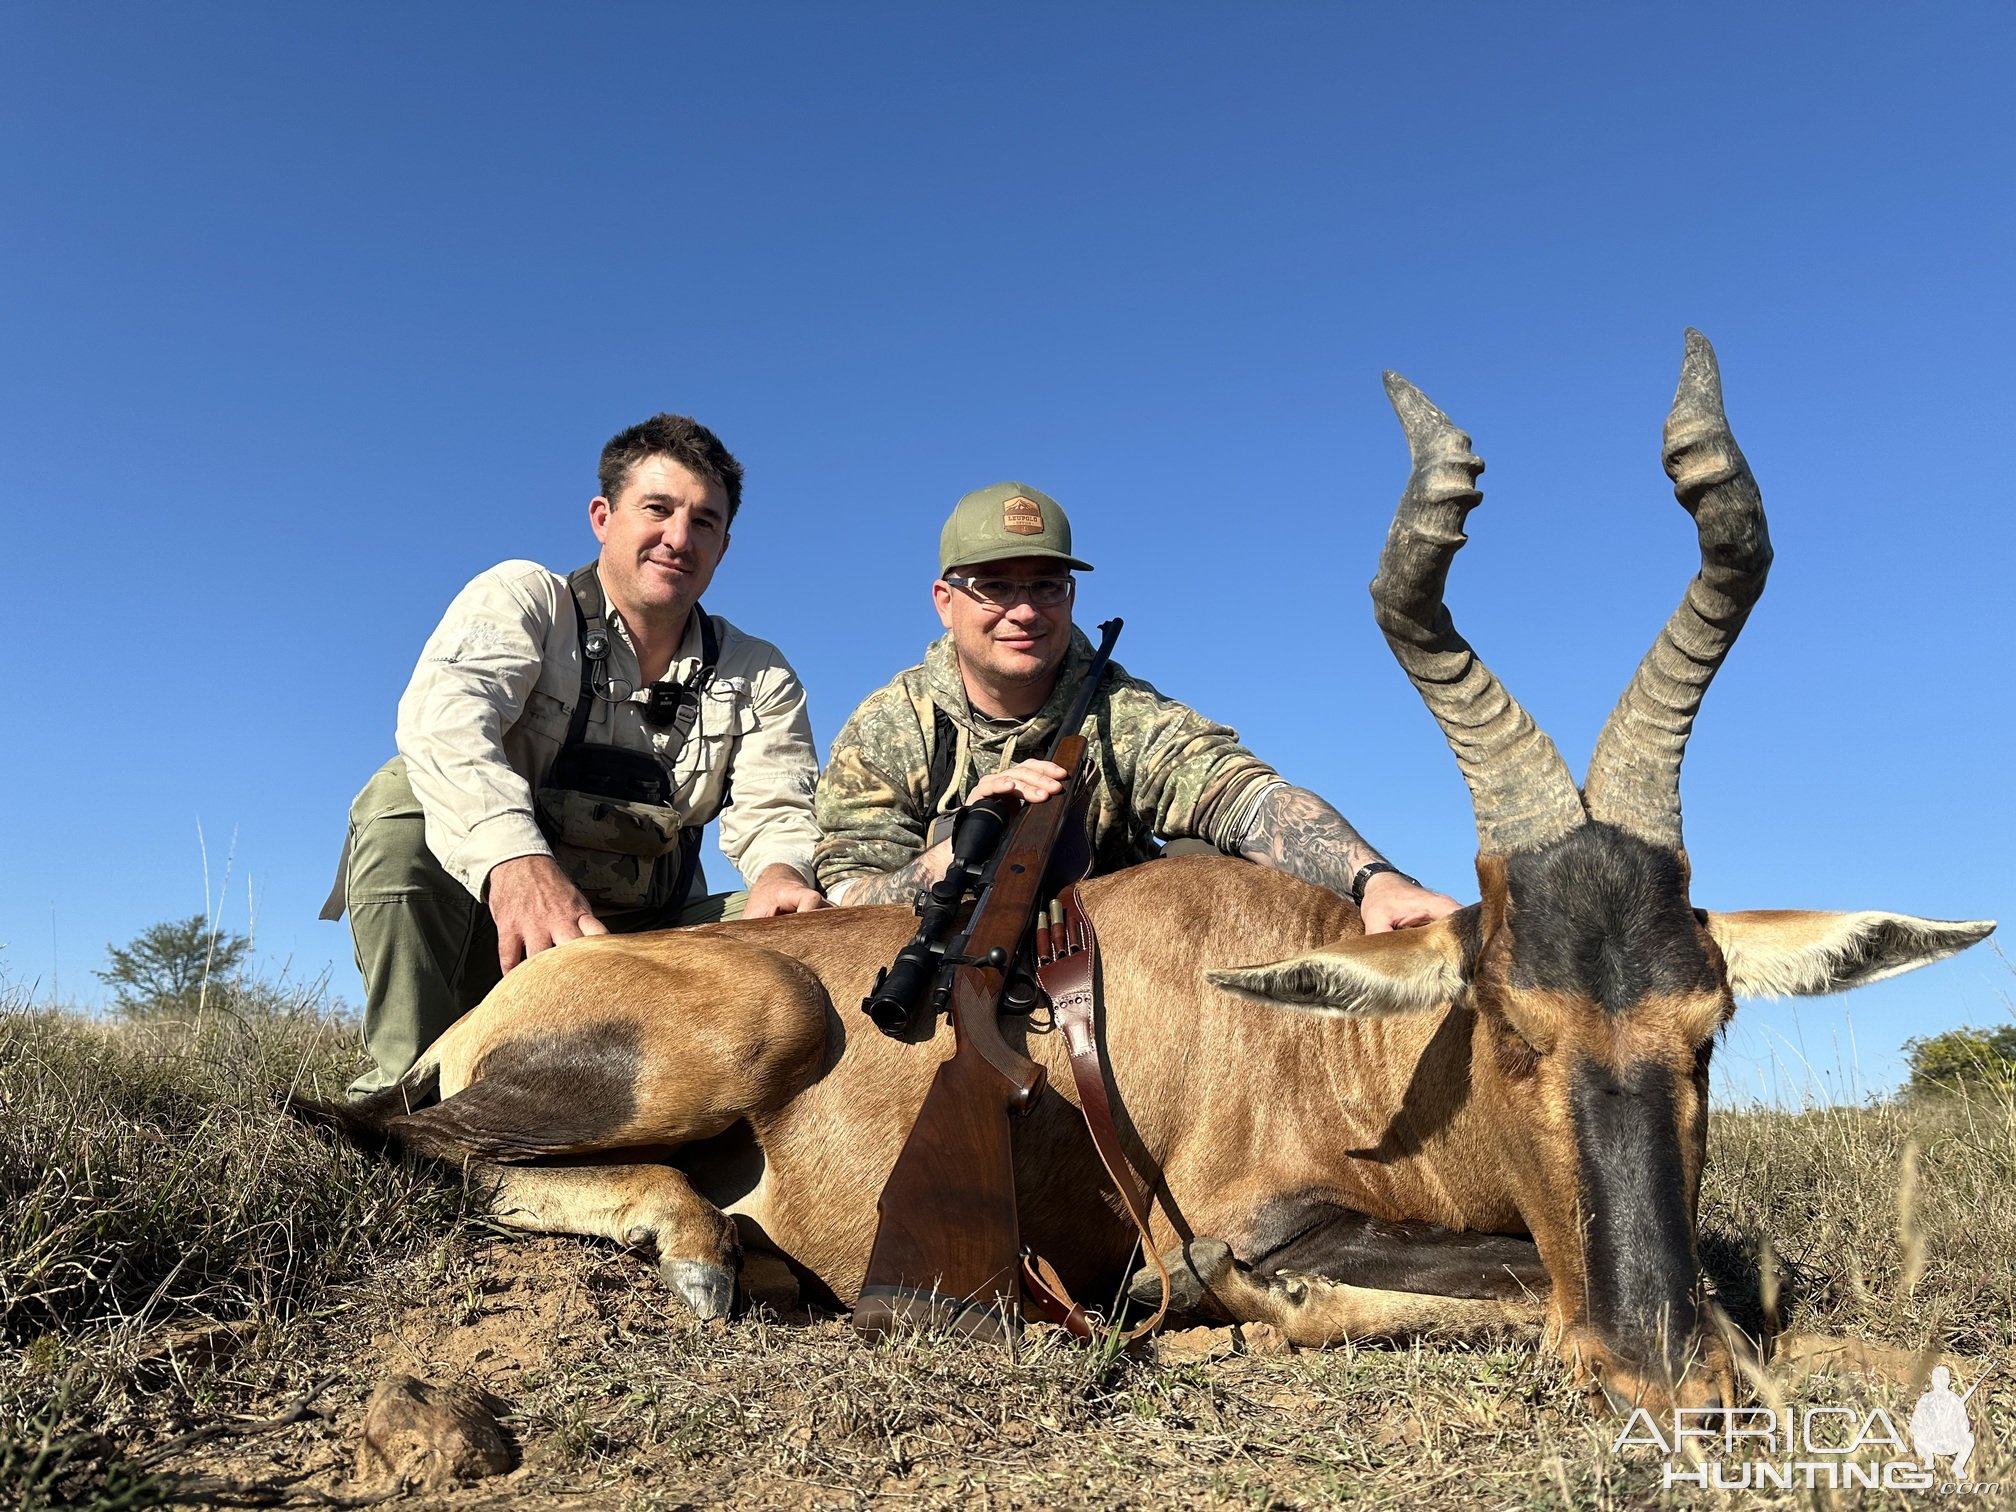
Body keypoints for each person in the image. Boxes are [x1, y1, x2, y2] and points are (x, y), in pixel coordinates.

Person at [325, 413, 826, 1097]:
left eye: (704, 522)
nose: (679, 538)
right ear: (603, 516)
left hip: (639, 947)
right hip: (501, 929)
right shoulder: (525, 597)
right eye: (658, 509)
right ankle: (406, 1091)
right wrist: (516, 864)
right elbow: (444, 725)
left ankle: (711, 1111)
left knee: (804, 937)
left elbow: (779, 808)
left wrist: (779, 875)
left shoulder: (760, 671)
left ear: (723, 547)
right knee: (399, 803)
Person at [814, 482, 1460, 930]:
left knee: (1214, 870)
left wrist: (1377, 882)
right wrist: (959, 849)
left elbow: (1249, 799)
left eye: (1047, 586)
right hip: (935, 963)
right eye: (995, 587)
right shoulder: (890, 724)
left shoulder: (1123, 711)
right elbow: (847, 897)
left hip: (1109, 962)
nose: (1025, 611)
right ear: (944, 599)